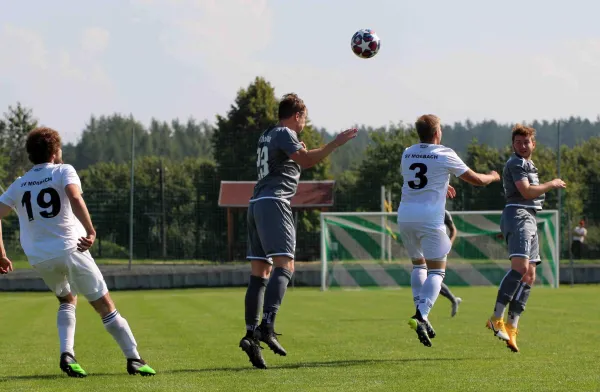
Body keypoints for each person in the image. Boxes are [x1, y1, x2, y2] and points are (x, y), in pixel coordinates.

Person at [0, 127, 156, 378]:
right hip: (71, 249)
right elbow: (74, 197)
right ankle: (134, 358)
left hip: (40, 257)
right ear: (54, 152)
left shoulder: (19, 183)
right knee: (105, 306)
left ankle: (67, 353)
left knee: (67, 299)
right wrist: (91, 230)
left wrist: (1, 252)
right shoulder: (64, 170)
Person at [239, 93, 357, 369]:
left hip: (256, 203)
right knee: (286, 265)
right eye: (304, 118)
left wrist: (298, 154)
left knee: (260, 273)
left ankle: (250, 335)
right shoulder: (284, 132)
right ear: (297, 116)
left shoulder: (268, 133)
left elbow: (288, 162)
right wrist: (334, 144)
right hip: (275, 202)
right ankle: (266, 327)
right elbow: (305, 160)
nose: (304, 122)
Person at [398, 114, 500, 347]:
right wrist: (493, 177)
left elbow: (418, 179)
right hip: (430, 219)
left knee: (418, 265)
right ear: (436, 133)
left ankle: (421, 312)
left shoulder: (407, 152)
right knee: (437, 272)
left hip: (405, 216)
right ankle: (421, 315)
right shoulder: (444, 153)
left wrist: (442, 184)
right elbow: (476, 180)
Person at [486, 124, 566, 352]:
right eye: (518, 142)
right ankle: (495, 317)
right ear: (513, 145)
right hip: (518, 214)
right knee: (520, 268)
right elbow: (527, 192)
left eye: (526, 142)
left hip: (528, 217)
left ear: (533, 144)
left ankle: (512, 327)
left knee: (530, 274)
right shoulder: (516, 163)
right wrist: (552, 183)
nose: (522, 146)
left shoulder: (529, 164)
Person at [439, 210, 462, 317]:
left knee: (432, 279)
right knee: (429, 280)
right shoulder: (425, 210)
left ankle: (422, 313)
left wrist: (449, 243)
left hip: (440, 249)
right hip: (427, 248)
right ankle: (454, 300)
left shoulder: (444, 213)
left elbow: (453, 230)